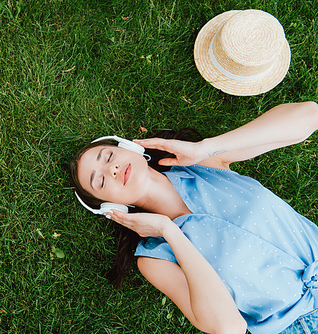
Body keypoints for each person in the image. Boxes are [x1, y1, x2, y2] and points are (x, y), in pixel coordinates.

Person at [70, 101, 318, 334]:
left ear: (131, 147)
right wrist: (170, 232)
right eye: (100, 181)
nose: (111, 169)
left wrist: (206, 147)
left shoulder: (205, 163)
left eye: (108, 156)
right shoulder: (154, 258)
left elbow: (309, 115)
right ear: (110, 208)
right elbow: (229, 327)